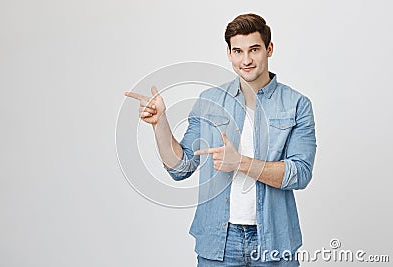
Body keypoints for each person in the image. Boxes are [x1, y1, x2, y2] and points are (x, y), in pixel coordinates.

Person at [125, 13, 316, 267]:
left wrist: (240, 163)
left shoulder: (297, 105)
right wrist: (160, 123)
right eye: (238, 51)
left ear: (269, 49)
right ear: (228, 53)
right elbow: (180, 168)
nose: (246, 60)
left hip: (274, 243)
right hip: (219, 242)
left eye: (254, 49)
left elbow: (300, 174)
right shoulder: (209, 101)